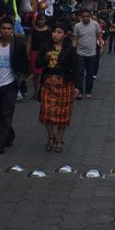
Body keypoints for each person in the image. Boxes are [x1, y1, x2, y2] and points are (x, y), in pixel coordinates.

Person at [0, 18, 29, 154]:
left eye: (9, 29)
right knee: (0, 114)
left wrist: (21, 79)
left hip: (11, 84)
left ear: (13, 30)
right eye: (4, 28)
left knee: (6, 112)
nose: (6, 31)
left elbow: (25, 64)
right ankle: (10, 135)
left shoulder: (18, 45)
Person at [36, 24, 79, 153]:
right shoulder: (45, 47)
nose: (55, 34)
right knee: (47, 112)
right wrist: (45, 57)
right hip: (48, 82)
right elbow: (37, 65)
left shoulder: (69, 49)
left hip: (64, 84)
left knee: (63, 114)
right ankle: (50, 137)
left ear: (65, 34)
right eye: (54, 31)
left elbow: (76, 69)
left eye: (59, 32)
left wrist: (77, 87)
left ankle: (59, 140)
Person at [72, 9, 103, 99]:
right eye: (84, 16)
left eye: (87, 16)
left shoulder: (95, 24)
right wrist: (73, 49)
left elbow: (99, 35)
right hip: (80, 53)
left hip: (92, 53)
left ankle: (88, 90)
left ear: (90, 16)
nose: (86, 18)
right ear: (81, 17)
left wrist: (101, 46)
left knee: (90, 73)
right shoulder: (77, 26)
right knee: (80, 73)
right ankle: (80, 91)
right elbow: (75, 38)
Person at [26, 14, 52, 100]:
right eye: (39, 19)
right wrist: (27, 54)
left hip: (46, 53)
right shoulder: (32, 30)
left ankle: (45, 91)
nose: (40, 21)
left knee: (46, 73)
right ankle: (36, 91)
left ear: (45, 20)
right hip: (34, 52)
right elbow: (29, 42)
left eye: (42, 19)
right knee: (36, 74)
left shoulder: (49, 30)